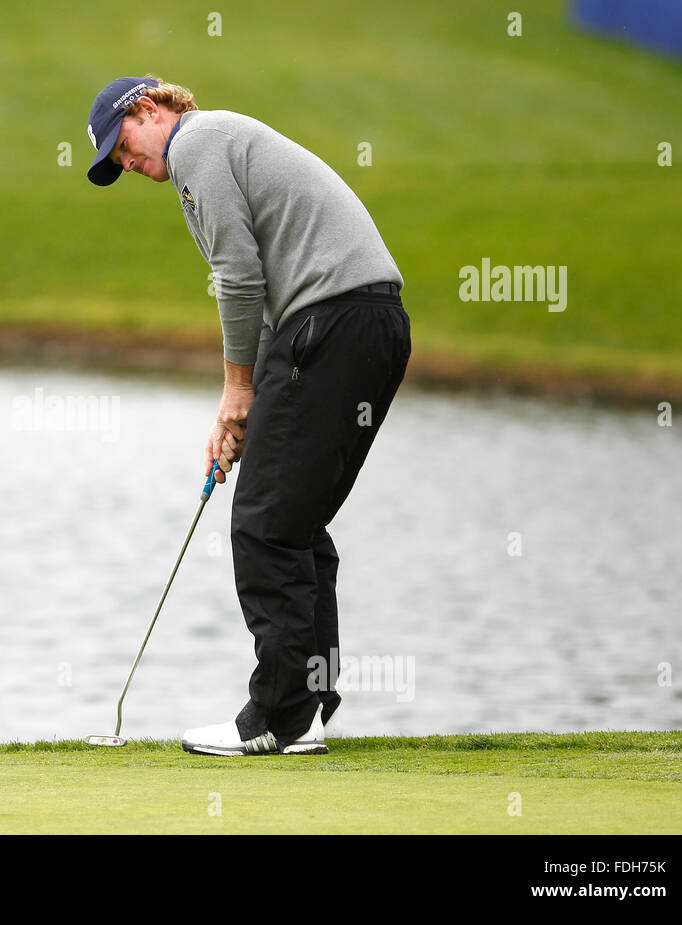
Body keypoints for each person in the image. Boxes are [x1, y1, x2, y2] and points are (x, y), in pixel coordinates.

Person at [85, 76, 411, 756]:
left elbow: (238, 276)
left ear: (148, 110)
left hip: (333, 322)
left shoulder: (197, 142)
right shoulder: (213, 150)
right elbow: (263, 299)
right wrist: (237, 411)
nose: (131, 165)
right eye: (118, 164)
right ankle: (308, 708)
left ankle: (277, 716)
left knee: (263, 524)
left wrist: (238, 386)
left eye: (124, 148)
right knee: (292, 522)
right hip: (365, 325)